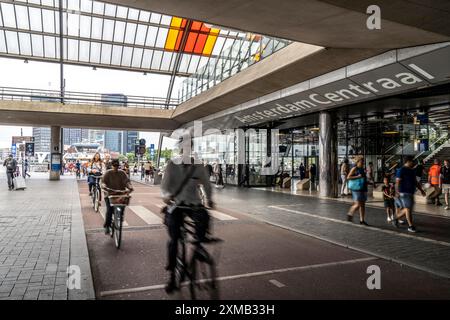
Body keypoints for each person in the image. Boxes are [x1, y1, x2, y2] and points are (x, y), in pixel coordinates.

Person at [161, 141, 214, 294]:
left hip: (194, 204)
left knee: (204, 217)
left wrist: (209, 199)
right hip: (176, 204)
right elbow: (164, 186)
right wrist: (166, 197)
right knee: (174, 238)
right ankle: (172, 275)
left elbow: (206, 184)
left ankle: (198, 246)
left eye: (189, 147)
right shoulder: (172, 165)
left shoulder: (198, 165)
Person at [392, 156, 426, 232]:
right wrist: (397, 192)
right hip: (403, 193)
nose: (413, 162)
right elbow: (397, 182)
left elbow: (415, 182)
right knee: (408, 209)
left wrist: (421, 190)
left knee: (408, 209)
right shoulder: (401, 170)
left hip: (410, 193)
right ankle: (410, 226)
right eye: (412, 161)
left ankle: (396, 218)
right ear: (407, 161)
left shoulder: (412, 171)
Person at [101, 159, 134, 235]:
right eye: (114, 166)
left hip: (120, 194)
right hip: (109, 194)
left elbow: (127, 182)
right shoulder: (107, 173)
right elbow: (103, 182)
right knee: (109, 210)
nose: (115, 167)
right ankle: (107, 226)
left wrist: (130, 187)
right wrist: (105, 187)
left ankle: (120, 216)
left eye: (117, 166)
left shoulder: (122, 173)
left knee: (122, 206)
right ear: (111, 166)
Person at [346, 157, 369, 226]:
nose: (363, 163)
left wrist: (369, 182)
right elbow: (348, 177)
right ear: (357, 162)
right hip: (356, 189)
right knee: (358, 204)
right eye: (361, 162)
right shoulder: (355, 168)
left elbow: (363, 178)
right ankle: (350, 213)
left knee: (363, 205)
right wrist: (358, 177)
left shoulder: (363, 169)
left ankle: (362, 220)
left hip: (363, 188)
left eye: (363, 162)